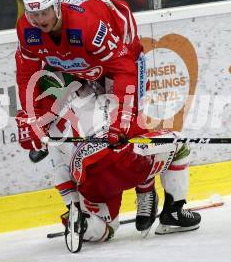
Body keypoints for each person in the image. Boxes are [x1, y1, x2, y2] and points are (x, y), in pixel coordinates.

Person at [14, 0, 157, 234]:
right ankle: (83, 202)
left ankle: (146, 188)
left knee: (131, 125)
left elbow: (123, 68)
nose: (40, 20)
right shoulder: (27, 28)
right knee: (62, 107)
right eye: (33, 14)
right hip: (82, 65)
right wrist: (30, 116)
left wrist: (122, 120)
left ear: (56, 6)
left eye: (45, 12)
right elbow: (28, 74)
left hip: (123, 55)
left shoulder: (87, 24)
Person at [26, 74, 200, 253]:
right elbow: (134, 124)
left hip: (91, 181)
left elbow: (61, 173)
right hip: (123, 160)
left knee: (107, 229)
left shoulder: (45, 126)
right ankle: (169, 209)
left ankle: (84, 224)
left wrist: (74, 206)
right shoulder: (94, 86)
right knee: (178, 144)